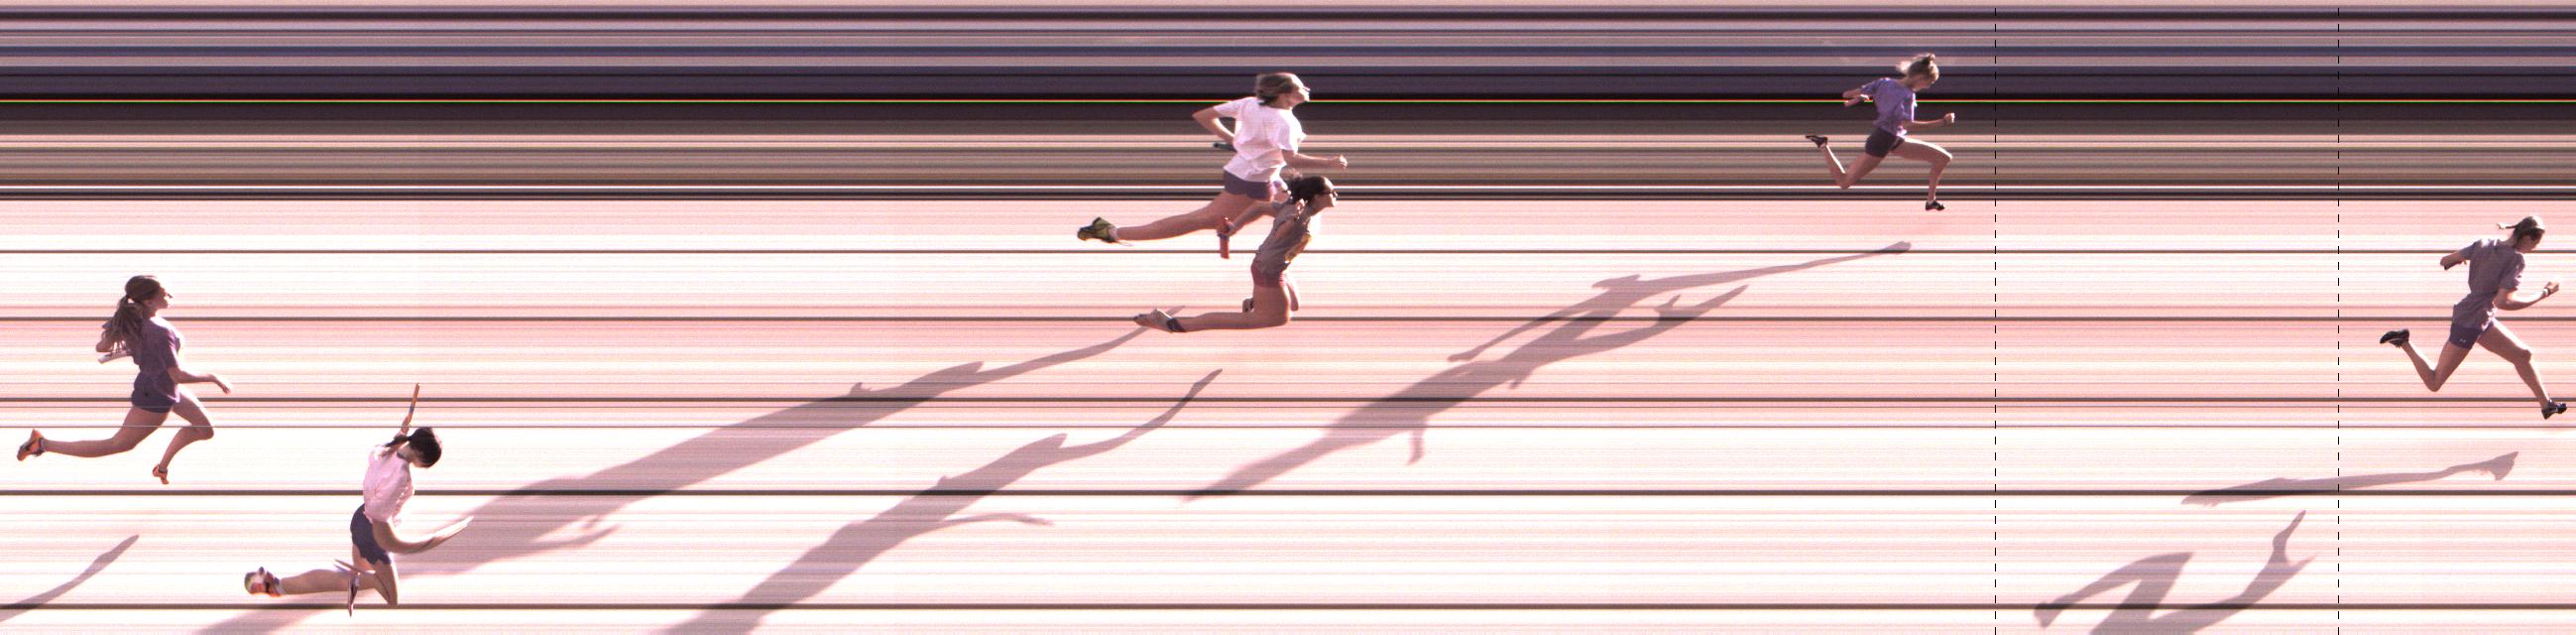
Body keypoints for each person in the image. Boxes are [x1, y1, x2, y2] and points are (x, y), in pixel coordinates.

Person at [241, 385, 472, 613]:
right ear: (421, 456)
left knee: (354, 575)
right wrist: (396, 544)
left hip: (360, 520)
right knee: (388, 595)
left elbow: (394, 450)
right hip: (373, 531)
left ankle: (278, 585)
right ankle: (278, 585)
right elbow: (380, 514)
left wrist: (402, 433)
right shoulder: (401, 475)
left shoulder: (388, 450)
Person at [1078, 72, 1347, 249]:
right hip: (1255, 180)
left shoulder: (1249, 103)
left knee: (1300, 209)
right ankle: (1111, 232)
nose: (1306, 89)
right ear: (1284, 94)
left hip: (1252, 172)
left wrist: (1233, 140)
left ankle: (1280, 257)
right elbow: (1291, 158)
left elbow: (1203, 116)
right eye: (1300, 86)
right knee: (1202, 219)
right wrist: (1329, 163)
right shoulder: (1285, 121)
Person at [18, 275, 232, 483]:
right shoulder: (158, 330)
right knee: (119, 444)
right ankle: (42, 444)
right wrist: (212, 377)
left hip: (163, 384)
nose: (171, 296)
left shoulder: (136, 319)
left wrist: (135, 344)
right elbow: (177, 374)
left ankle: (161, 468)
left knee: (205, 430)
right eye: (165, 294)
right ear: (149, 301)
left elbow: (102, 347)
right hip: (156, 394)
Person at [2382, 216, 2568, 419]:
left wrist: (2466, 260)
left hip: (2480, 316)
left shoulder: (2483, 243)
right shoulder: (2516, 259)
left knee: (2523, 355)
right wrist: (2545, 292)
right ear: (2527, 237)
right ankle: (2404, 341)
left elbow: (2445, 261)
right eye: (2536, 244)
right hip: (2470, 322)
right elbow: (2504, 302)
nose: (2534, 249)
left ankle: (2547, 405)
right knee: (2434, 382)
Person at [1136, 176, 1337, 332]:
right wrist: (1293, 219)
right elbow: (1280, 235)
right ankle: (1170, 324)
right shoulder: (1298, 215)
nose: (1336, 194)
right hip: (1268, 270)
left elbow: (1260, 207)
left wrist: (1235, 226)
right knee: (1277, 318)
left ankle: (1256, 301)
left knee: (1294, 305)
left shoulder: (1303, 210)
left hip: (1276, 265)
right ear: (1317, 197)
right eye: (1331, 192)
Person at [1804, 53, 1958, 210]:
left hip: (1894, 139)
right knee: (1844, 182)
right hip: (1882, 141)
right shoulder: (1907, 95)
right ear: (1920, 77)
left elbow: (1847, 95)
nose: (1928, 87)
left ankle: (1931, 201)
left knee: (1943, 158)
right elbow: (1907, 125)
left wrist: (1861, 97)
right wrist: (1942, 122)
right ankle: (1823, 145)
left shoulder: (1884, 82)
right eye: (1929, 82)